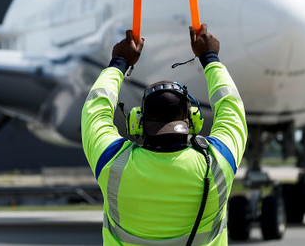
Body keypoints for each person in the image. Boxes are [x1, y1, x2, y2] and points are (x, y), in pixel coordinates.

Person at [81, 24, 247, 245]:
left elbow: (95, 110)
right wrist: (210, 58)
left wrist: (119, 62)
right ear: (193, 120)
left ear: (137, 123)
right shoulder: (216, 164)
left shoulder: (113, 164)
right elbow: (231, 106)